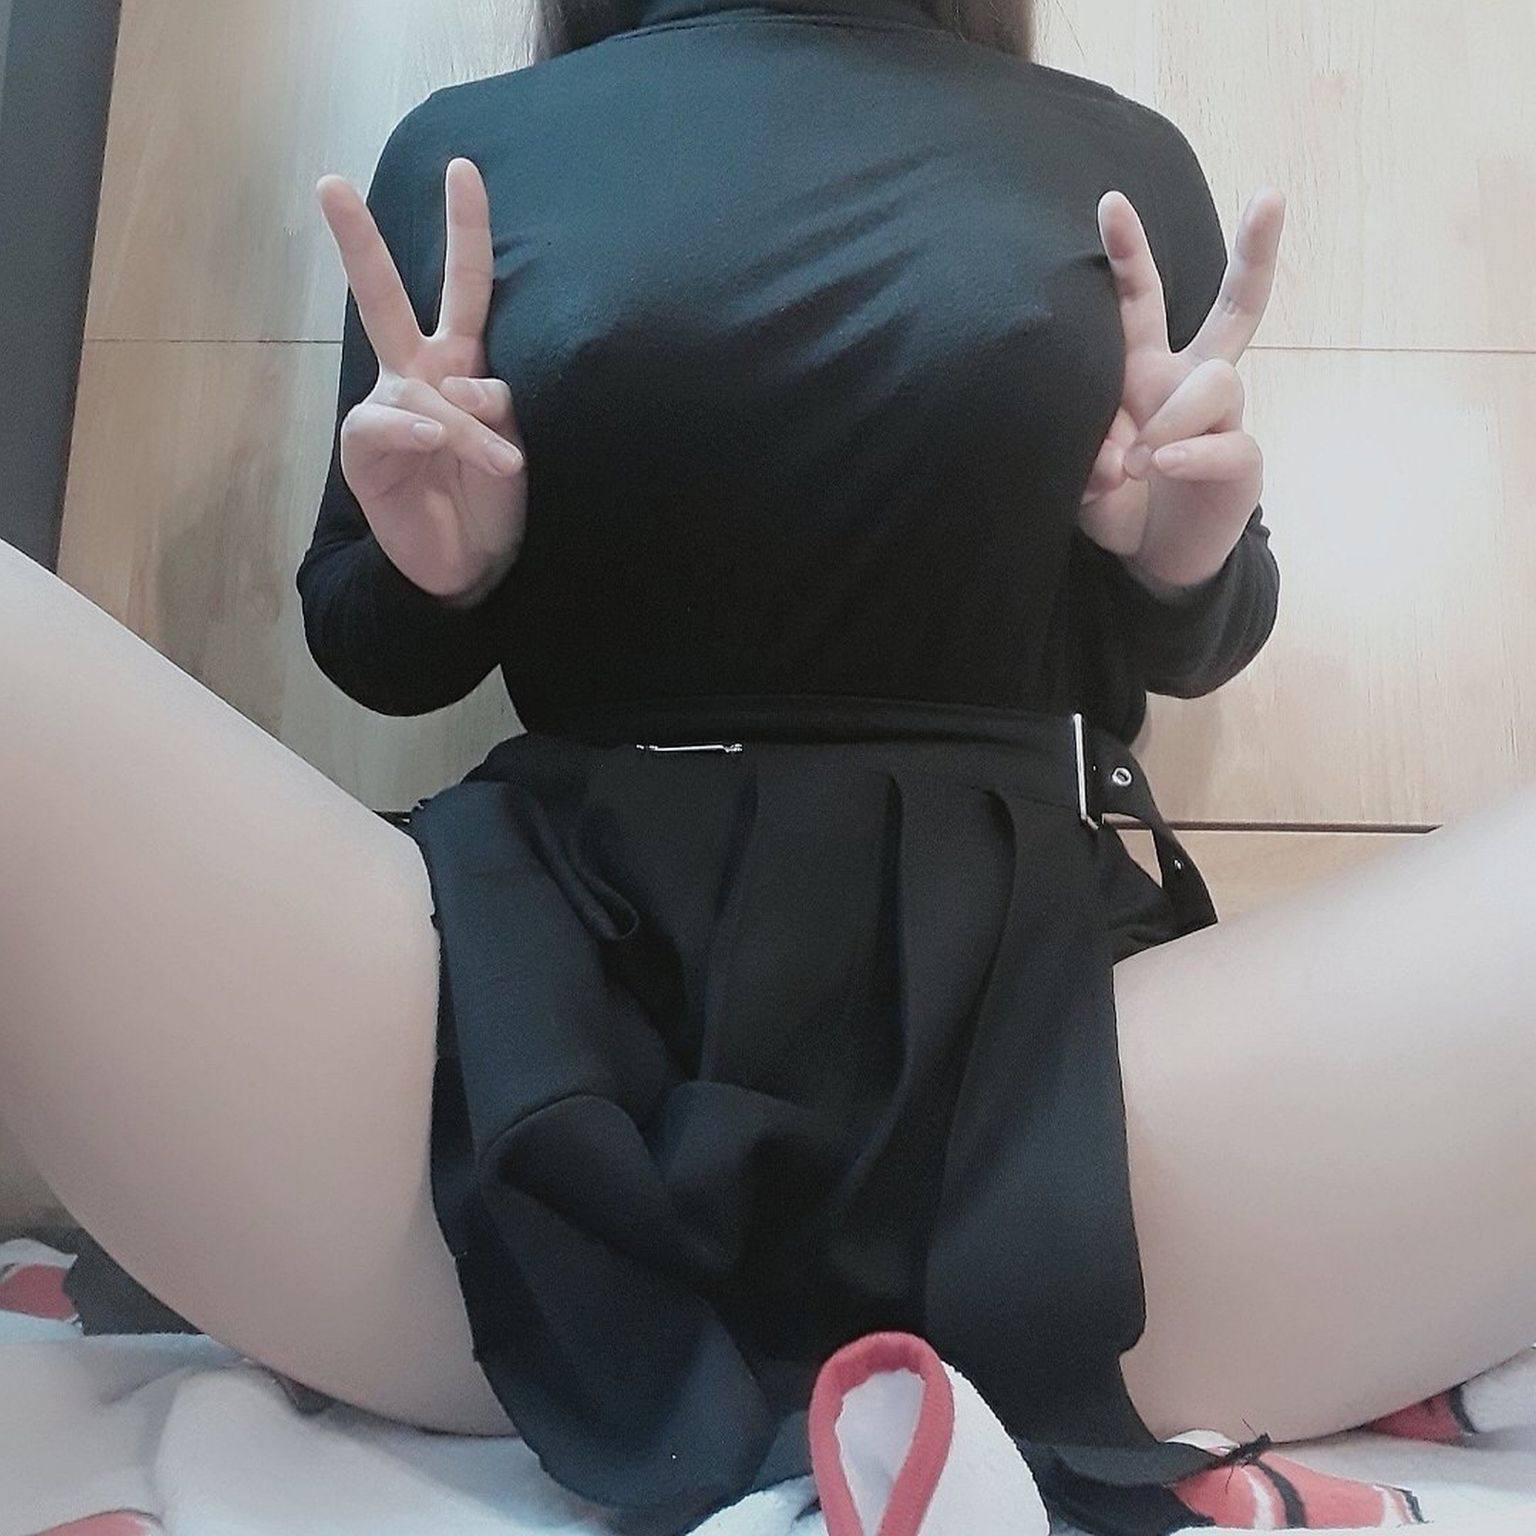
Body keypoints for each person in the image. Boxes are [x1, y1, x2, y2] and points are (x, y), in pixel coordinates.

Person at [3, 0, 1535, 1532]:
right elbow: (375, 649)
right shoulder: (465, 158)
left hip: (1047, 1067)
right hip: (540, 1029)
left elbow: (1192, 641)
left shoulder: (1120, 163)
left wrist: (1189, 557)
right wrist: (438, 569)